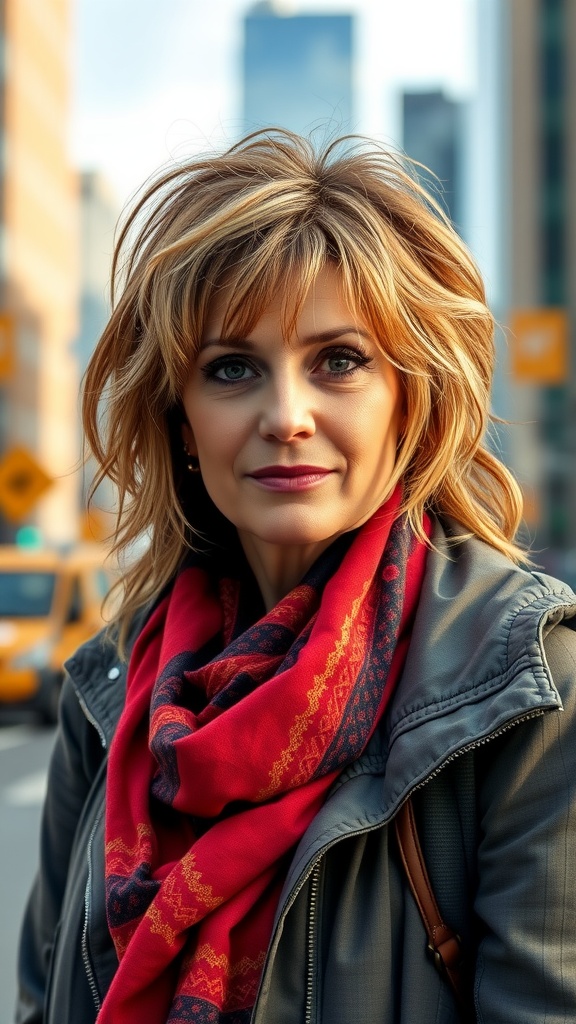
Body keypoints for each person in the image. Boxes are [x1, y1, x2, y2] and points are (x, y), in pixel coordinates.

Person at [16, 128, 576, 1024]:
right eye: (232, 369)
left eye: (339, 361)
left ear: (410, 398)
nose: (286, 416)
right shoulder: (111, 691)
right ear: (182, 422)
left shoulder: (528, 689)